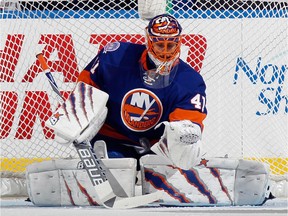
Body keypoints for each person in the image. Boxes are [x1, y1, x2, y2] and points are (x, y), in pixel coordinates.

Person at [77, 14, 207, 169]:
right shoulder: (116, 58)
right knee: (116, 177)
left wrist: (185, 134)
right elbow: (84, 91)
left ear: (178, 43)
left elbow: (187, 127)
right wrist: (76, 114)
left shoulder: (190, 81)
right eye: (160, 45)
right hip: (111, 139)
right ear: (149, 40)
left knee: (183, 155)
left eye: (170, 45)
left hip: (155, 148)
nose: (165, 52)